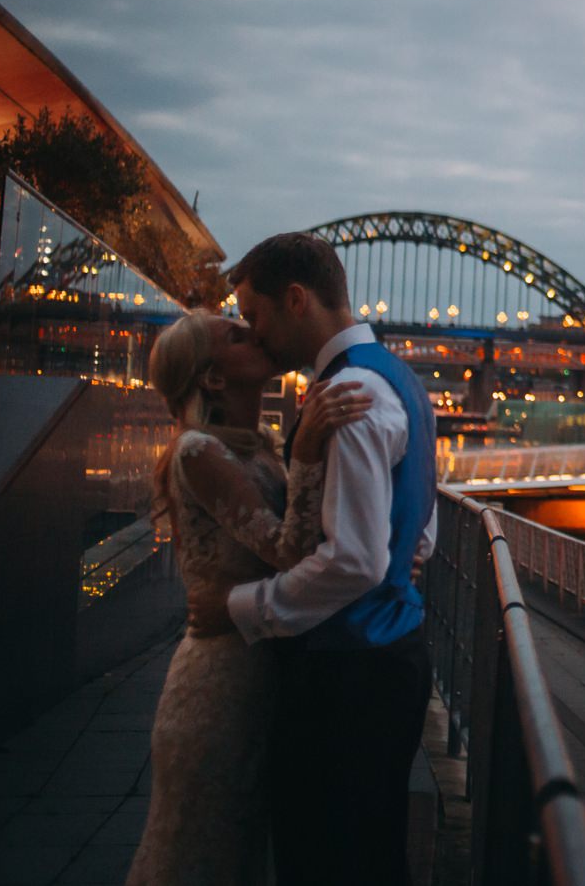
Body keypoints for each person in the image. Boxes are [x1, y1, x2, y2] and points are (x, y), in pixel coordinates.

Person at [187, 233, 438, 886]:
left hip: (346, 676)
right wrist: (406, 552)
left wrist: (237, 607)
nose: (254, 331)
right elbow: (423, 516)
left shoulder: (348, 394)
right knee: (372, 857)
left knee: (322, 861)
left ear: (296, 299)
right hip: (395, 657)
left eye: (255, 313)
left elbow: (354, 561)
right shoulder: (397, 376)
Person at [128, 308, 371, 885]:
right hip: (220, 685)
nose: (252, 330)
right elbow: (290, 551)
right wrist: (308, 447)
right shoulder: (199, 451)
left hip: (256, 665)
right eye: (235, 335)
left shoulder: (253, 446)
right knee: (198, 852)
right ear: (213, 378)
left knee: (239, 853)